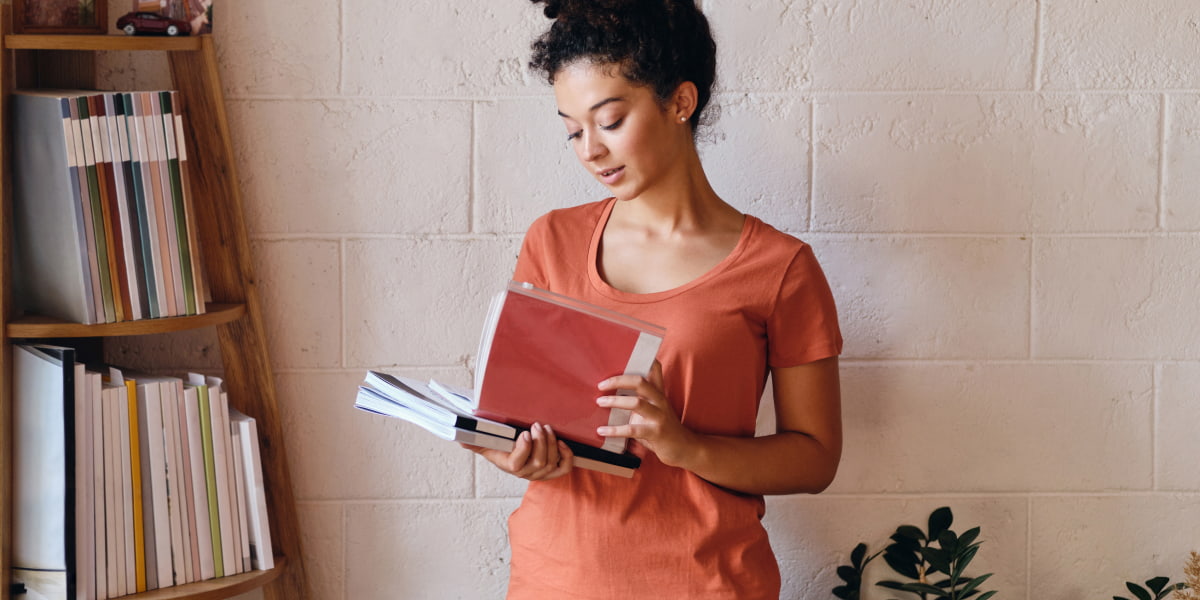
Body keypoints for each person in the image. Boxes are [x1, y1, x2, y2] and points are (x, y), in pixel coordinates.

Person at [466, 1, 844, 598]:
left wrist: (685, 446)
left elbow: (815, 459)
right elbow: (504, 420)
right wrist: (514, 454)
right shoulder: (552, 241)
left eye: (610, 121)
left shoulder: (780, 268)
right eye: (573, 130)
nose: (589, 150)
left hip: (707, 582)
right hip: (555, 578)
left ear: (680, 102)